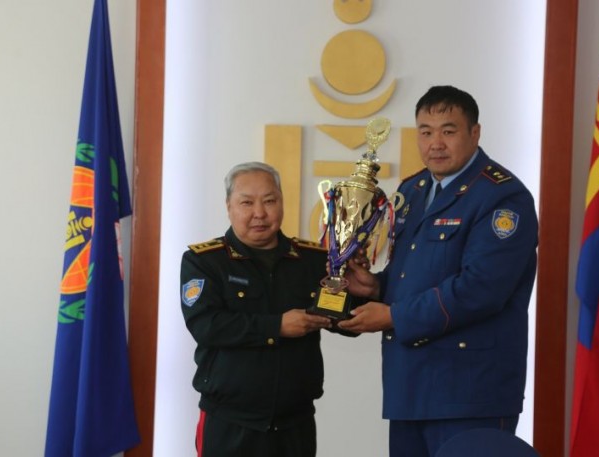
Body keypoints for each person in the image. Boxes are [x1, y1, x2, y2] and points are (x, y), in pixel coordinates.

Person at [338, 85, 539, 457]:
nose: (436, 144)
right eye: (426, 132)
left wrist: (394, 316)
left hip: (470, 392)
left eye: (448, 131)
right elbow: (414, 276)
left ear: (474, 133)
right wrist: (375, 287)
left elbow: (480, 290)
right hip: (410, 386)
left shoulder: (502, 196)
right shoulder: (413, 191)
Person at [180, 161, 335, 457]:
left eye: (269, 201)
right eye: (247, 203)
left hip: (295, 422)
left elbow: (341, 320)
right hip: (230, 422)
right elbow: (206, 325)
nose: (260, 213)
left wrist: (356, 287)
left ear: (282, 202)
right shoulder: (204, 261)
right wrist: (276, 326)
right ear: (229, 206)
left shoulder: (312, 259)